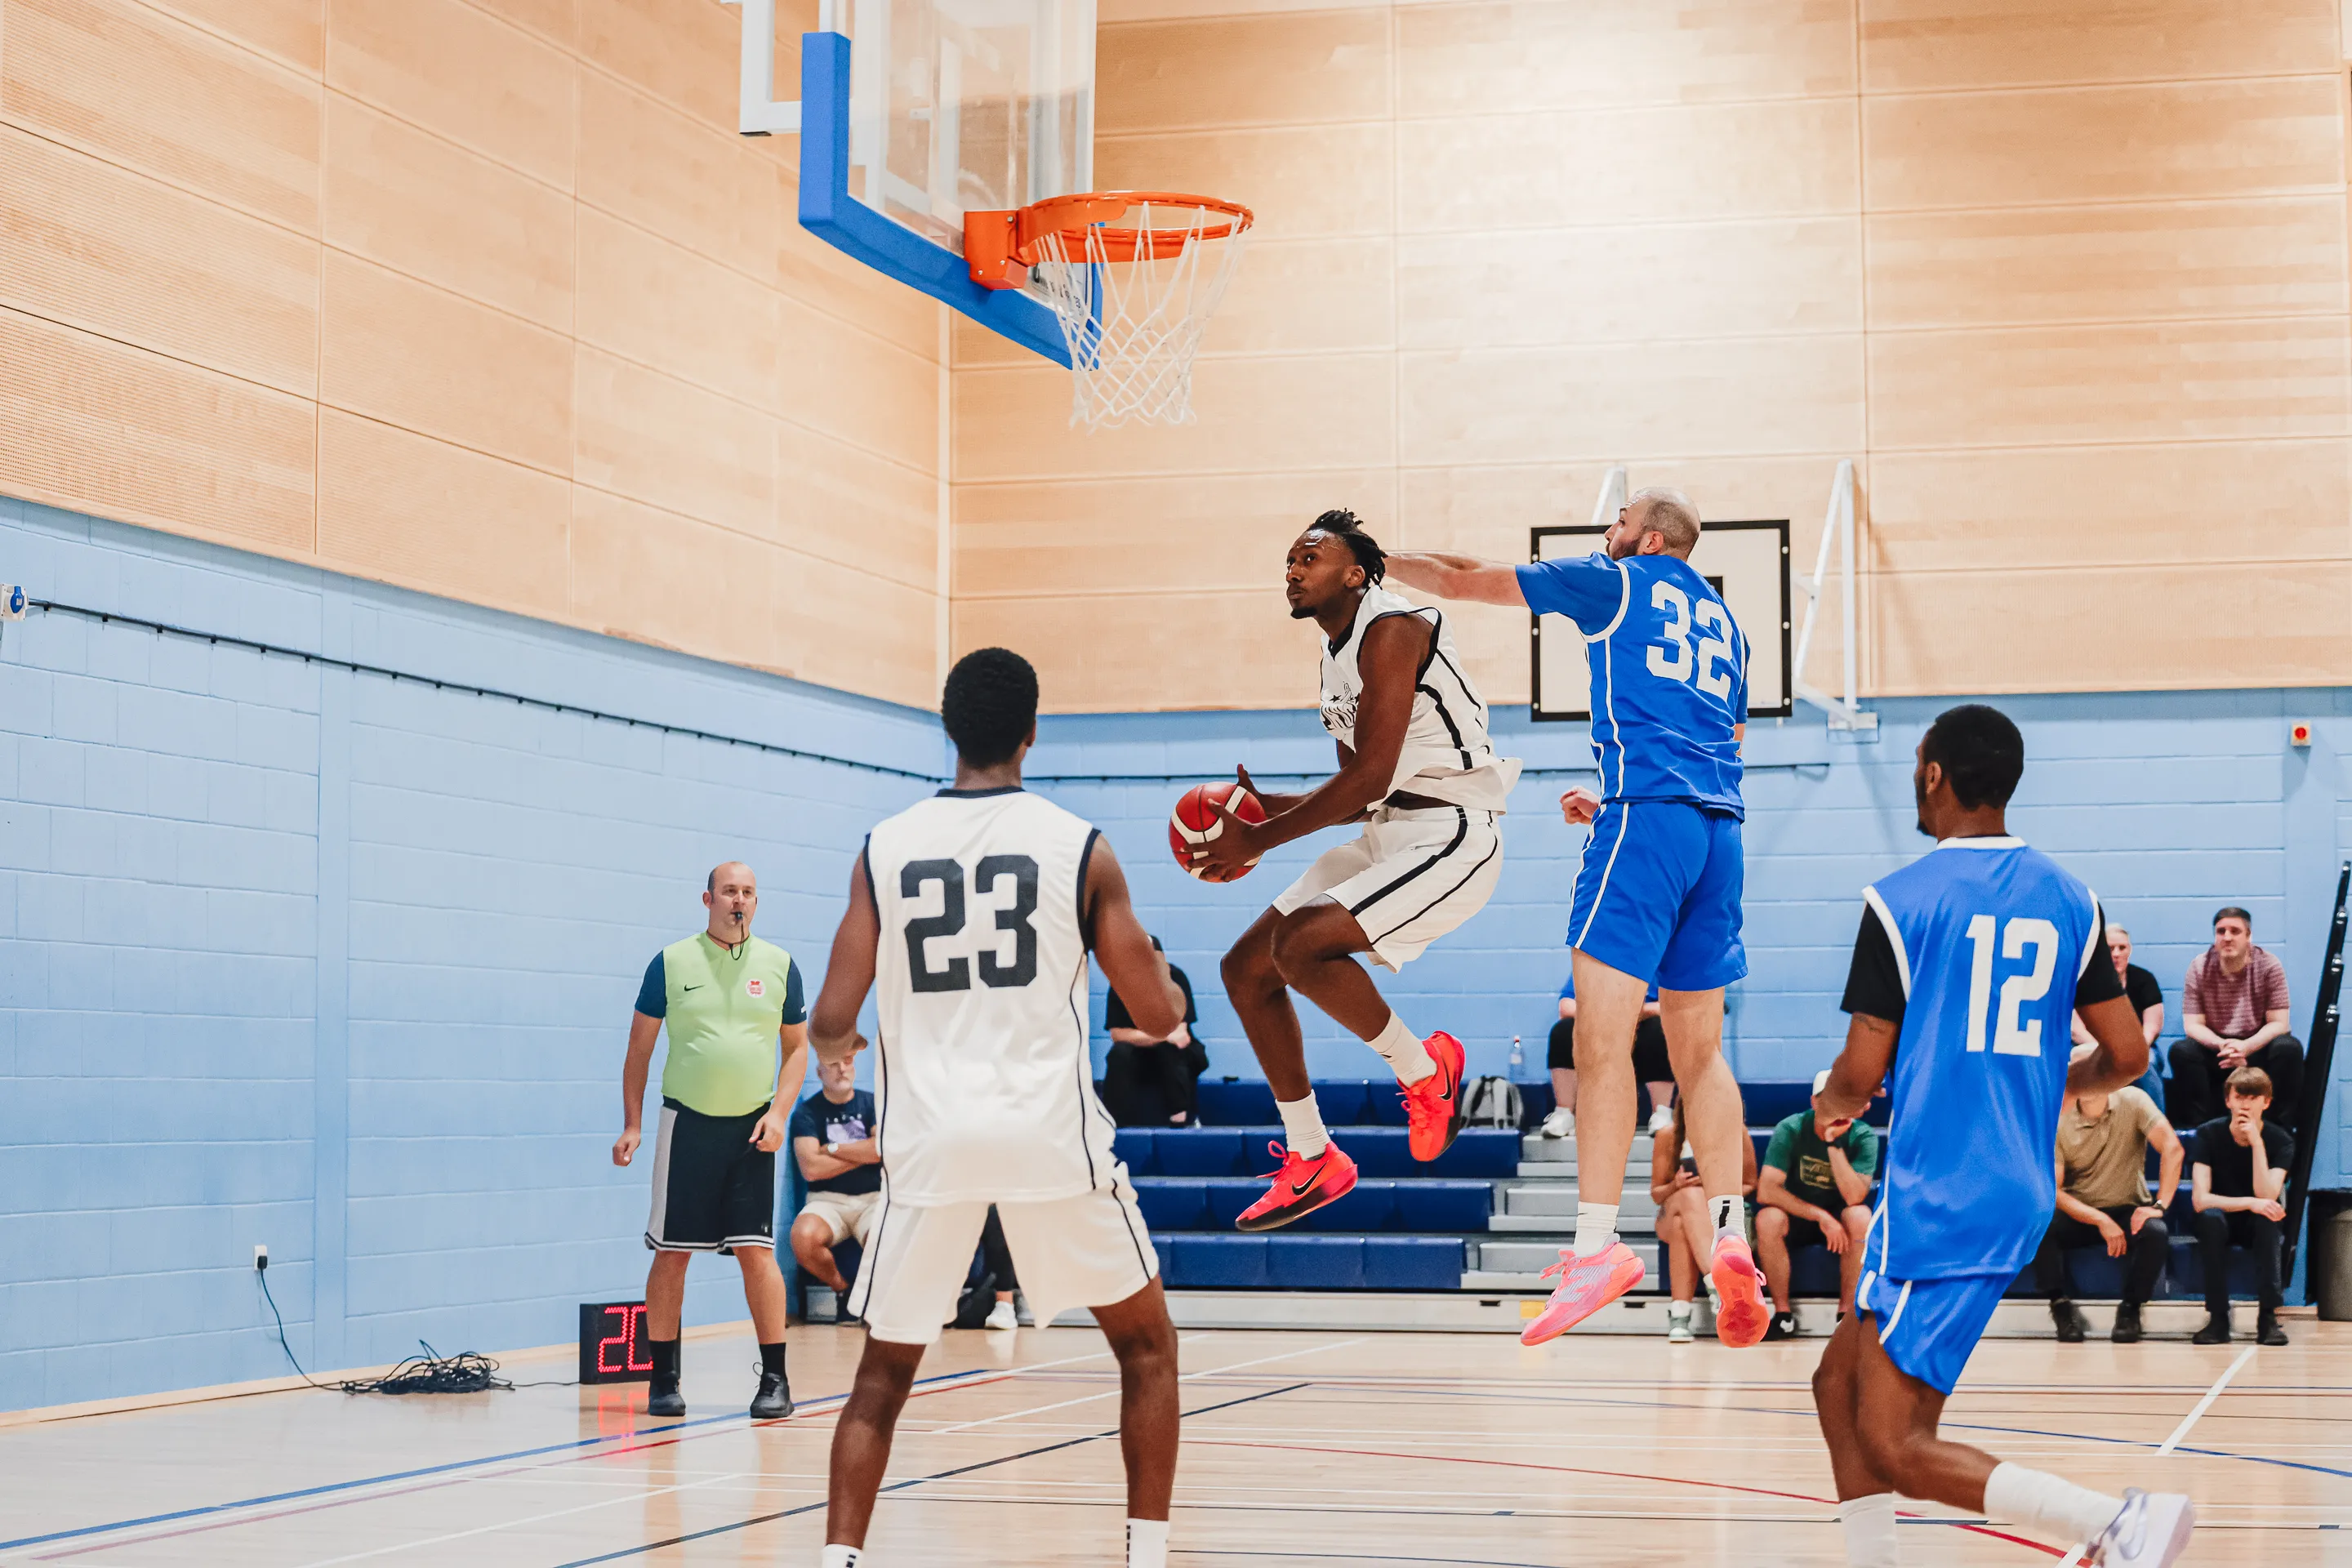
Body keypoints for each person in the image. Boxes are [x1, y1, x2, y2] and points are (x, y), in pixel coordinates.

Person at [808, 647, 1189, 1568]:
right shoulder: (1079, 845)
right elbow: (1156, 1015)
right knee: (1146, 1350)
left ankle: (838, 1561)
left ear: (948, 730)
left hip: (932, 1142)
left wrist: (870, 1038)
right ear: (1031, 732)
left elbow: (829, 1020)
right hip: (1047, 1135)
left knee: (880, 1379)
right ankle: (1146, 1558)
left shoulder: (884, 847)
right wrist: (1160, 979)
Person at [1810, 703, 2190, 1568]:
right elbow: (2129, 1054)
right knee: (1837, 1385)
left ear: (1934, 774)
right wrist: (2056, 1082)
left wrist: (1833, 1101)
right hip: (2008, 1184)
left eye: (1917, 765)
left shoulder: (1900, 900)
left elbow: (1860, 1074)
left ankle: (2114, 1523)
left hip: (1943, 1190)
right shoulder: (2071, 898)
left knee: (1898, 1445)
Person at [1384, 488, 1767, 1348]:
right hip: (1718, 833)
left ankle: (1597, 1249)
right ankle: (1732, 1231)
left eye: (1620, 521)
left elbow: (1465, 575)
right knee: (1701, 1054)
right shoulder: (1730, 626)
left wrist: (1377, 561)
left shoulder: (1616, 581)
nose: (1607, 530)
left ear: (1652, 538)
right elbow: (1727, 742)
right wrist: (1627, 803)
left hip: (1647, 824)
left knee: (1601, 1044)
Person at [1192, 511, 1521, 1232]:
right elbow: (1360, 793)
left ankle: (1426, 1074)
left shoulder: (1394, 626)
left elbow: (1368, 776)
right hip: (1390, 827)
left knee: (1301, 944)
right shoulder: (1334, 653)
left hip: (1454, 830)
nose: (1293, 569)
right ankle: (1312, 1154)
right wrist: (1265, 811)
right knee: (1245, 969)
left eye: (1309, 556)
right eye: (1288, 560)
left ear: (1355, 572)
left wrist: (1260, 839)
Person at [612, 862, 807, 1421]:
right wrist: (632, 1124)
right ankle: (662, 1379)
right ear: (708, 900)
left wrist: (779, 1113)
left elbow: (797, 1049)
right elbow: (639, 1050)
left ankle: (775, 1380)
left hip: (752, 1131)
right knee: (672, 1254)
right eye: (728, 891)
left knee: (757, 1253)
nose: (738, 900)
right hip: (687, 1127)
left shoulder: (780, 965)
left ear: (756, 901)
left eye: (747, 892)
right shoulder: (671, 962)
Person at [2036, 1058, 2181, 1345]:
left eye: (2094, 1074)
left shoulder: (2135, 1100)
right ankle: (2060, 1306)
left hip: (2127, 1207)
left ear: (2108, 1078)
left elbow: (2172, 1148)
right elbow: (2054, 1190)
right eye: (2081, 1076)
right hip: (2080, 1212)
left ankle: (2131, 1309)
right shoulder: (2058, 1115)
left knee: (2155, 1232)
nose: (2088, 1082)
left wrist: (2159, 1206)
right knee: (2039, 1227)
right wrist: (2099, 1219)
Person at [1755, 1068, 1878, 1338]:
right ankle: (1783, 1316)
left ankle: (1845, 1317)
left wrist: (1833, 1143)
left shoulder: (1863, 1136)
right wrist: (1820, 1216)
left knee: (1860, 1216)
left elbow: (1854, 1197)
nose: (1837, 1108)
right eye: (1831, 1100)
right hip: (1799, 1217)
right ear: (1815, 1102)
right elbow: (1766, 1190)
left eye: (1843, 1101)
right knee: (1768, 1218)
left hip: (1841, 1221)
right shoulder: (1791, 1128)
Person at [2168, 906, 2301, 1131]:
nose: (2227, 937)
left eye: (2235, 931)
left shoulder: (2269, 965)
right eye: (2221, 931)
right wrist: (2223, 1045)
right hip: (2218, 1048)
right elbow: (2192, 1025)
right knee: (2182, 1051)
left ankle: (2276, 1129)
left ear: (2248, 936)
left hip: (2256, 1046)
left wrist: (2246, 1047)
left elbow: (2280, 1023)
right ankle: (2201, 1129)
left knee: (2288, 1048)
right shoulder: (2199, 966)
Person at [2189, 1066, 2292, 1347]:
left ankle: (2267, 1318)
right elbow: (2200, 1199)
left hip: (2255, 1222)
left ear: (2266, 1103)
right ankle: (2218, 1319)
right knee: (2210, 1220)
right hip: (2222, 1215)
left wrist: (2257, 1144)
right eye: (2240, 1097)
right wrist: (2250, 1203)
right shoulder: (2208, 1134)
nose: (2245, 1105)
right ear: (2228, 1101)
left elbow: (2267, 1194)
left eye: (2253, 1097)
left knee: (2268, 1220)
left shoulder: (2280, 1141)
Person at [1650, 1094, 1757, 1343]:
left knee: (1682, 1227)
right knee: (1689, 1196)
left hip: (1721, 1216)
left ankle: (1680, 1315)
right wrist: (1676, 1184)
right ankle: (1719, 1283)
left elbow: (1750, 1183)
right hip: (1671, 1210)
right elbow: (1657, 1194)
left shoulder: (1736, 1132)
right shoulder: (1668, 1135)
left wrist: (1714, 1191)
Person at [786, 1054, 880, 1319]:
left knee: (885, 1239)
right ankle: (843, 1292)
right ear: (819, 1072)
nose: (842, 1069)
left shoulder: (873, 1103)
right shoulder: (807, 1112)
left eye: (847, 1062)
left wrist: (832, 1149)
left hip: (873, 1198)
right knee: (803, 1238)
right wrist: (863, 1154)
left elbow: (881, 1150)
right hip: (827, 1201)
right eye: (833, 1064)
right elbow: (811, 1169)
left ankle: (873, 1301)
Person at [1541, 969, 1673, 1139]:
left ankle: (1662, 1113)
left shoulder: (1661, 967)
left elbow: (1673, 1006)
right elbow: (1566, 1006)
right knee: (1563, 1031)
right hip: (1599, 1033)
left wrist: (1636, 1012)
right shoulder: (1593, 963)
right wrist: (1606, 1015)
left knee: (1659, 1030)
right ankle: (1564, 1114)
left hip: (1641, 1032)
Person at [1101, 938, 1207, 1127]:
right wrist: (1163, 1036)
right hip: (1139, 1054)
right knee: (1120, 1054)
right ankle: (1114, 1124)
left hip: (1173, 1054)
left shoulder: (1176, 978)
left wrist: (1153, 1038)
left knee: (1170, 1050)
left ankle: (1182, 1119)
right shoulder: (1120, 983)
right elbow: (1117, 1035)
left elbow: (1181, 1037)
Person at [2072, 923, 2167, 1107]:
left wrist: (2135, 1051)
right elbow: (2076, 1030)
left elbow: (2152, 1027)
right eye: (2110, 948)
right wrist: (2106, 1051)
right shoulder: (2084, 980)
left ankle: (2156, 1120)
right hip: (2090, 1043)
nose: (2116, 954)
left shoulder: (2144, 979)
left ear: (2129, 950)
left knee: (2148, 1063)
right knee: (2073, 1062)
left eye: (2122, 948)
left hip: (2138, 1044)